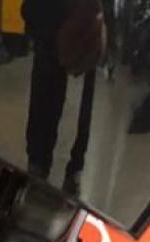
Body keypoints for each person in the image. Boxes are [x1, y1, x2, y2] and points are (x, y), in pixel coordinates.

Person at [23, 0, 106, 194]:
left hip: (79, 21)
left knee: (55, 93)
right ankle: (45, 165)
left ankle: (52, 166)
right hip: (59, 21)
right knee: (48, 93)